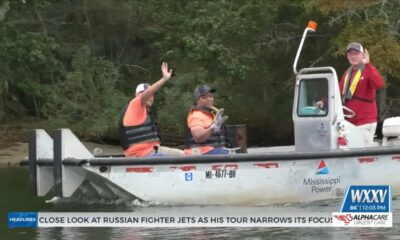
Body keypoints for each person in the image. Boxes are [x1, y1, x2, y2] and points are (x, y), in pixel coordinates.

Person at [119, 62, 184, 157]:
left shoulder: (145, 111)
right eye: (143, 93)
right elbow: (146, 95)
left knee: (183, 155)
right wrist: (164, 79)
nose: (149, 96)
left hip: (152, 150)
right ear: (136, 95)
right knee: (178, 159)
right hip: (140, 154)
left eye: (151, 95)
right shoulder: (135, 104)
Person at [338, 42, 384, 146]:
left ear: (362, 55)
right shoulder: (347, 73)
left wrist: (368, 64)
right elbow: (338, 93)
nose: (353, 56)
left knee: (363, 156)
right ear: (347, 56)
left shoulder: (368, 70)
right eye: (350, 54)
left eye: (356, 53)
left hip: (365, 122)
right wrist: (324, 101)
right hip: (349, 124)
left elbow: (379, 84)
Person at [184, 85, 229, 155]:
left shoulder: (212, 114)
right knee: (225, 153)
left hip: (214, 151)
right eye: (204, 97)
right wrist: (212, 128)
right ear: (197, 101)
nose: (209, 99)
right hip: (201, 153)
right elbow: (198, 137)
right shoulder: (196, 115)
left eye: (210, 96)